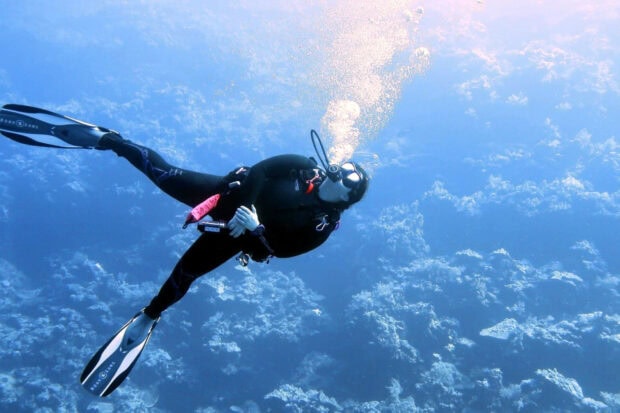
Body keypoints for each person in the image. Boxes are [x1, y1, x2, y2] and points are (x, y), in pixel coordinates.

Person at [0, 104, 370, 347]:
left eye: (343, 181)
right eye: (339, 170)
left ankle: (149, 316)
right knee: (162, 173)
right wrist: (247, 206)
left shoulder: (322, 224)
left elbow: (284, 252)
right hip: (225, 198)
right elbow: (260, 171)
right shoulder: (303, 165)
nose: (332, 175)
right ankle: (108, 140)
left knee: (185, 273)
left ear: (347, 198)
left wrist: (255, 228)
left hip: (237, 237)